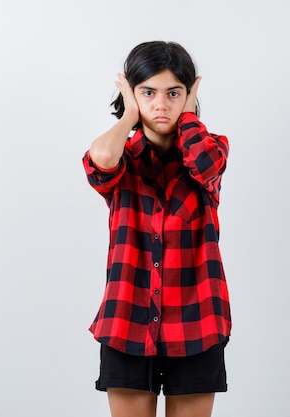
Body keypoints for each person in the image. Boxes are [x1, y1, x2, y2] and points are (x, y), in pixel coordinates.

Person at [82, 41, 231, 417]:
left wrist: (190, 115)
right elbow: (99, 159)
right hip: (126, 321)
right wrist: (129, 115)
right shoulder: (121, 157)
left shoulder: (209, 150)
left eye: (173, 93)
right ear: (132, 94)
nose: (161, 104)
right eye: (148, 92)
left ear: (189, 96)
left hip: (197, 322)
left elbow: (208, 165)